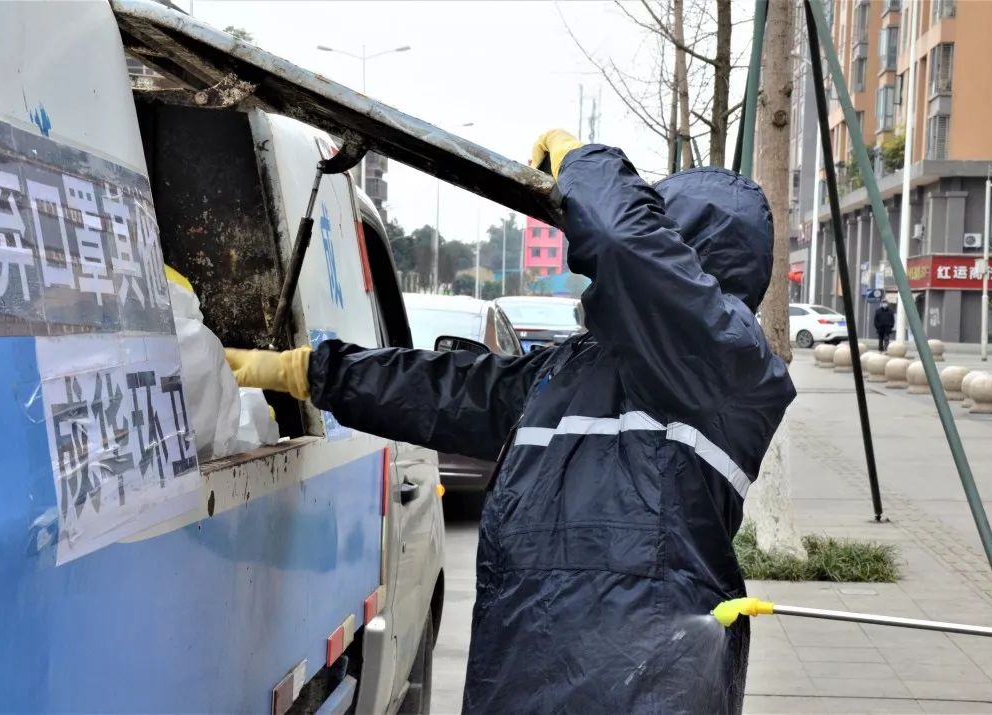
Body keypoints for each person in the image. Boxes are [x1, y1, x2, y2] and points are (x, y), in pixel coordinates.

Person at [226, 130, 795, 714]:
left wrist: (584, 160)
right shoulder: (573, 369)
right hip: (522, 671)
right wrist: (310, 371)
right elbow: (447, 390)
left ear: (681, 250)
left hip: (644, 689)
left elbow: (621, 241)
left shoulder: (729, 365)